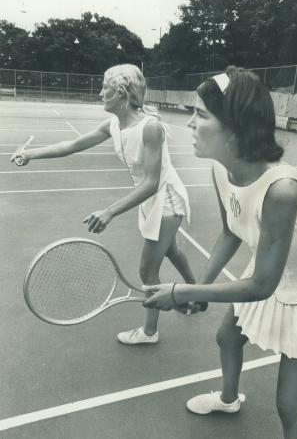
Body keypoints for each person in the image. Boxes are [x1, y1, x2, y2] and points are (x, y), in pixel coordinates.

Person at [144, 66, 297, 439]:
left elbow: (260, 284)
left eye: (201, 114)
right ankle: (229, 399)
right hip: (267, 274)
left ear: (235, 127)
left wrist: (184, 292)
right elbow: (230, 231)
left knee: (291, 408)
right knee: (228, 337)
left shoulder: (283, 190)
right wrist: (201, 284)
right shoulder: (220, 170)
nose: (190, 124)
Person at [11, 63, 203, 345]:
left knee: (147, 271)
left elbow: (152, 182)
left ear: (122, 94)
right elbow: (73, 145)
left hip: (165, 199)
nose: (100, 93)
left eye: (106, 88)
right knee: (172, 250)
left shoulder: (150, 128)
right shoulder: (113, 123)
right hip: (149, 198)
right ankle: (195, 295)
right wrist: (30, 154)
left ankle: (150, 332)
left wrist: (109, 211)